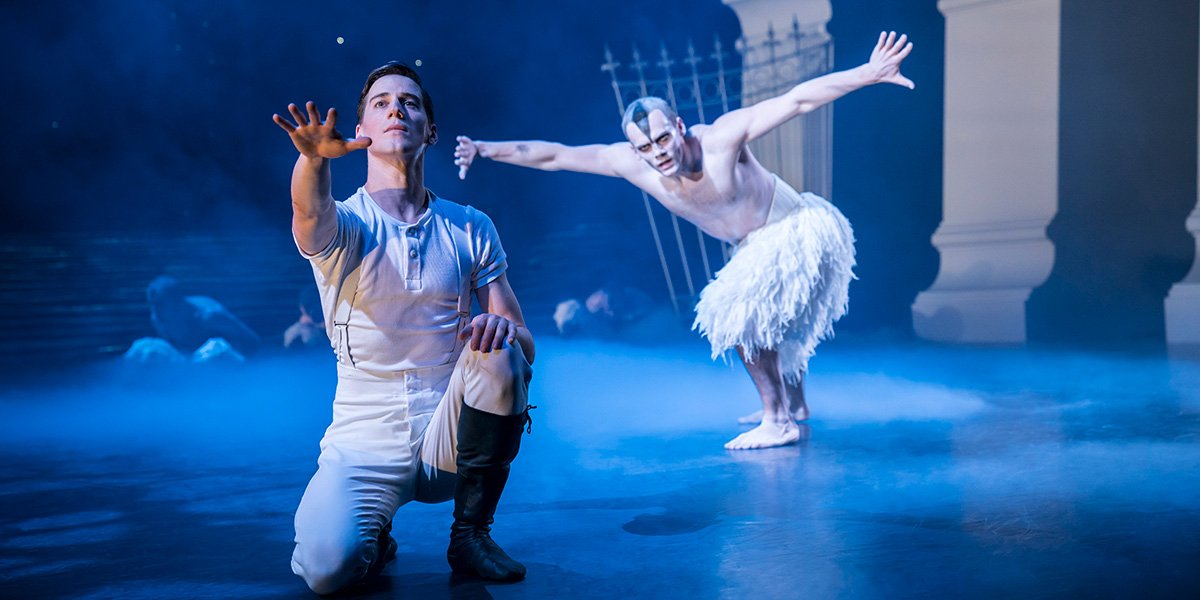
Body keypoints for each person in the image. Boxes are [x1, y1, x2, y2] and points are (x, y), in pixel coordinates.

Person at [455, 32, 913, 450]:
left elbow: (796, 101)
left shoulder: (720, 139)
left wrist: (868, 73)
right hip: (756, 242)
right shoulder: (633, 163)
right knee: (771, 323)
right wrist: (484, 148)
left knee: (735, 315)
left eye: (662, 139)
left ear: (679, 126)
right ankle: (794, 407)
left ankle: (778, 420)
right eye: (646, 148)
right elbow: (556, 155)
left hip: (795, 225)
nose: (659, 154)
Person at [272, 62, 536, 594]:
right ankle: (373, 534)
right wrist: (310, 161)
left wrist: (497, 328)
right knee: (327, 570)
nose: (397, 108)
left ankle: (470, 535)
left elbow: (525, 341)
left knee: (502, 351)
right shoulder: (347, 223)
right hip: (365, 443)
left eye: (411, 102)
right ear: (361, 129)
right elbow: (308, 213)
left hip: (451, 437)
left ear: (430, 131)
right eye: (382, 101)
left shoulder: (469, 225)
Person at [123, 275, 261, 364]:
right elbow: (175, 349)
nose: (155, 310)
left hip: (225, 359)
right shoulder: (158, 317)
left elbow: (252, 341)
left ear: (177, 302)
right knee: (143, 349)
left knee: (214, 352)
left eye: (161, 305)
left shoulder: (209, 316)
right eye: (152, 304)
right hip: (190, 360)